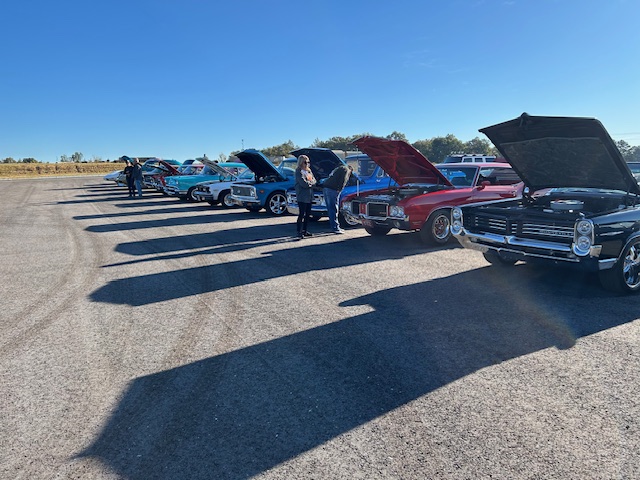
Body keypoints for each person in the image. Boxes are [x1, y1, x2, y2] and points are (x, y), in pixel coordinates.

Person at [321, 163, 353, 233]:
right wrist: (340, 189)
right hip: (333, 189)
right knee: (334, 208)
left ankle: (333, 226)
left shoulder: (338, 169)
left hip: (326, 187)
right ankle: (335, 228)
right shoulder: (346, 170)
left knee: (330, 208)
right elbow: (343, 180)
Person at [294, 154, 316, 239]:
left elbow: (314, 180)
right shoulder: (298, 172)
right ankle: (299, 231)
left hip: (309, 195)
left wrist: (310, 183)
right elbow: (303, 183)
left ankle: (305, 230)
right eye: (305, 162)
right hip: (302, 196)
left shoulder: (309, 171)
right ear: (301, 162)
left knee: (308, 214)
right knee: (301, 214)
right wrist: (310, 184)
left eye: (308, 162)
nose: (307, 164)